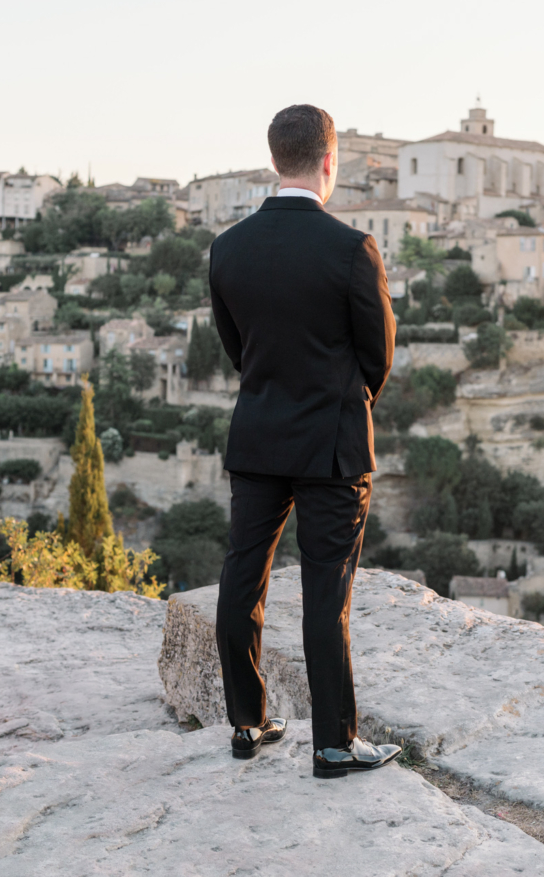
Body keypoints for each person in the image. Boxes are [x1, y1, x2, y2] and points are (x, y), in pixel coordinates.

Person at [208, 104, 401, 779]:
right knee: (327, 592)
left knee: (241, 578)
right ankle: (334, 743)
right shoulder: (352, 249)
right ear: (329, 162)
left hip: (258, 437)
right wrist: (345, 401)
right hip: (332, 446)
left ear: (273, 160)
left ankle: (247, 722)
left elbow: (239, 349)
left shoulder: (227, 249)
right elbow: (377, 354)